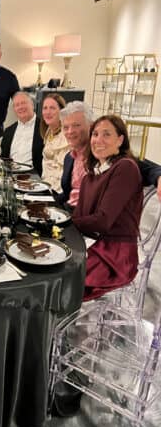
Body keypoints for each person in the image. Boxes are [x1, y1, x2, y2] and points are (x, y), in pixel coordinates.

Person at [73, 115, 143, 300]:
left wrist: (66, 222)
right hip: (92, 244)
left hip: (114, 255)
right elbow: (79, 216)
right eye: (95, 134)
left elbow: (102, 221)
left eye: (106, 134)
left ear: (120, 139)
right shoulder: (91, 175)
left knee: (62, 277)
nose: (98, 140)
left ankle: (53, 325)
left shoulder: (125, 168)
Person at [58, 101, 161, 206]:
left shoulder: (104, 153)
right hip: (69, 213)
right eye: (66, 127)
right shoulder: (69, 158)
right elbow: (69, 194)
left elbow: (147, 168)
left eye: (76, 125)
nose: (70, 131)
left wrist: (159, 177)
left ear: (91, 126)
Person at [1, 91, 44, 175]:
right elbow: (2, 158)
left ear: (32, 104)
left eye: (23, 103)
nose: (20, 107)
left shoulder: (44, 127)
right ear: (14, 109)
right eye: (17, 105)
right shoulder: (8, 131)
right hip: (11, 176)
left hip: (34, 177)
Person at [40, 93, 68, 192]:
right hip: (45, 185)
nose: (48, 112)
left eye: (52, 108)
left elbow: (62, 173)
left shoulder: (66, 136)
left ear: (62, 111)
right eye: (45, 108)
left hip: (57, 192)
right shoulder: (49, 131)